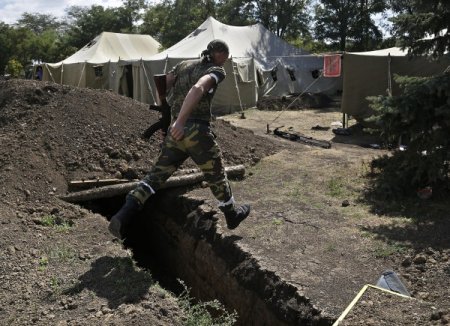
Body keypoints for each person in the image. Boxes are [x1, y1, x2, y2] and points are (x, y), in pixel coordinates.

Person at [109, 39, 251, 239]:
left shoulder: (183, 65)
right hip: (195, 130)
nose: (224, 63)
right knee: (216, 174)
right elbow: (198, 89)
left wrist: (168, 118)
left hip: (176, 134)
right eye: (225, 59)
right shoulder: (216, 70)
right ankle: (232, 215)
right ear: (221, 55)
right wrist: (180, 122)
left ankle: (123, 215)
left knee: (155, 177)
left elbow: (163, 84)